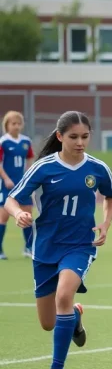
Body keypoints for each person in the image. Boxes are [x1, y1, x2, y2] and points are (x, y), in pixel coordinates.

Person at [3, 111, 112, 369]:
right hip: (44, 249)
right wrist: (18, 213)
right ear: (59, 137)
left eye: (85, 137)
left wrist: (105, 223)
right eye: (73, 137)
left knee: (64, 295)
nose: (80, 142)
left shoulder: (96, 168)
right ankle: (75, 318)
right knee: (47, 323)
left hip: (80, 246)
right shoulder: (44, 168)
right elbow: (11, 199)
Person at [0, 111, 35, 259]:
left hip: (23, 184)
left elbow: (30, 159)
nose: (16, 126)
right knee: (3, 216)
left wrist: (30, 176)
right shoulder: (3, 142)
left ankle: (29, 247)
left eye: (19, 124)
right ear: (7, 125)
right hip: (7, 185)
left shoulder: (26, 141)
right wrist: (6, 178)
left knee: (27, 214)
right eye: (13, 124)